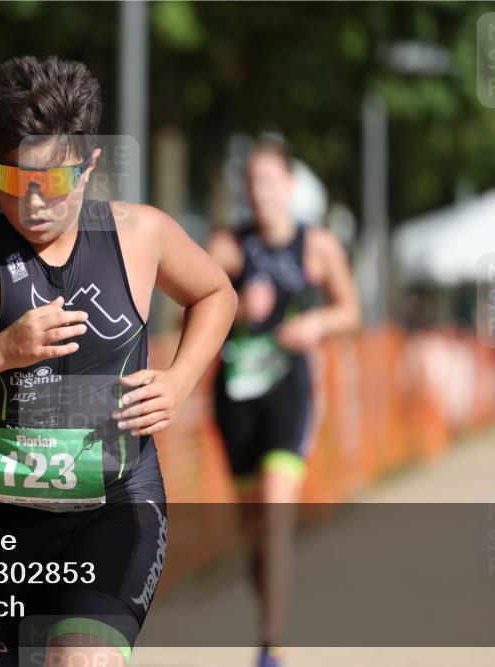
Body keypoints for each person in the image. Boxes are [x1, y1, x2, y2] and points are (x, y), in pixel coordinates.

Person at [0, 55, 236, 666]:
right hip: (6, 525)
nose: (35, 203)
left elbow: (216, 292)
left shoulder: (140, 237)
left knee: (82, 659)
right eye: (13, 180)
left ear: (89, 165)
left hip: (118, 503)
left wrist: (181, 379)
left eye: (54, 181)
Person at [208, 135, 361, 667]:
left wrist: (316, 321)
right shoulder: (227, 246)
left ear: (290, 186)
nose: (261, 192)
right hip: (235, 398)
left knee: (276, 517)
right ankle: (264, 569)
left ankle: (271, 646)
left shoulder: (317, 245)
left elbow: (351, 310)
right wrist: (231, 306)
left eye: (270, 181)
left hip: (289, 391)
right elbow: (191, 308)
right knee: (254, 529)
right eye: (252, 183)